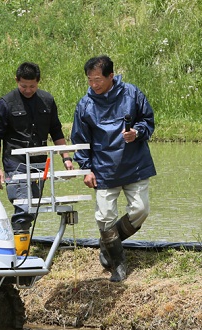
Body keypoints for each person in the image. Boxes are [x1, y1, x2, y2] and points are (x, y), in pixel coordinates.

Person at [71, 55, 156, 282]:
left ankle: (107, 243)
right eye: (90, 80)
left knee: (141, 210)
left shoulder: (132, 94)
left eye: (98, 79)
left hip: (134, 163)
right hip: (103, 168)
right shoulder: (85, 105)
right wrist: (87, 169)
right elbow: (80, 140)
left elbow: (148, 120)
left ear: (111, 76)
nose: (94, 84)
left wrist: (136, 132)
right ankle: (118, 263)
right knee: (105, 216)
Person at [0, 62, 74, 239]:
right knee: (23, 206)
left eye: (32, 86)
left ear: (38, 82)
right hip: (16, 164)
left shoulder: (47, 101)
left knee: (33, 206)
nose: (28, 90)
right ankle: (19, 252)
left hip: (40, 164)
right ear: (16, 81)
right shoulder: (5, 104)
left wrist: (66, 157)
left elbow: (56, 131)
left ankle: (18, 242)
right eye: (23, 86)